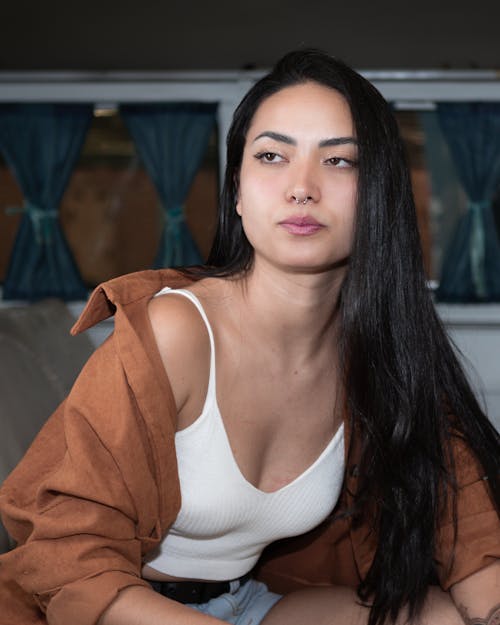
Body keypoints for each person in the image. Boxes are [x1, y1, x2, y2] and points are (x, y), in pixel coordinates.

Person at [0, 48, 499, 625]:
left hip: (245, 602)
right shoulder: (175, 330)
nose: (301, 187)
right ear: (237, 193)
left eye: (339, 162)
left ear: (379, 198)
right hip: (123, 609)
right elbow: (66, 551)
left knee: (433, 615)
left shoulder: (382, 352)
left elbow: (469, 536)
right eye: (271, 156)